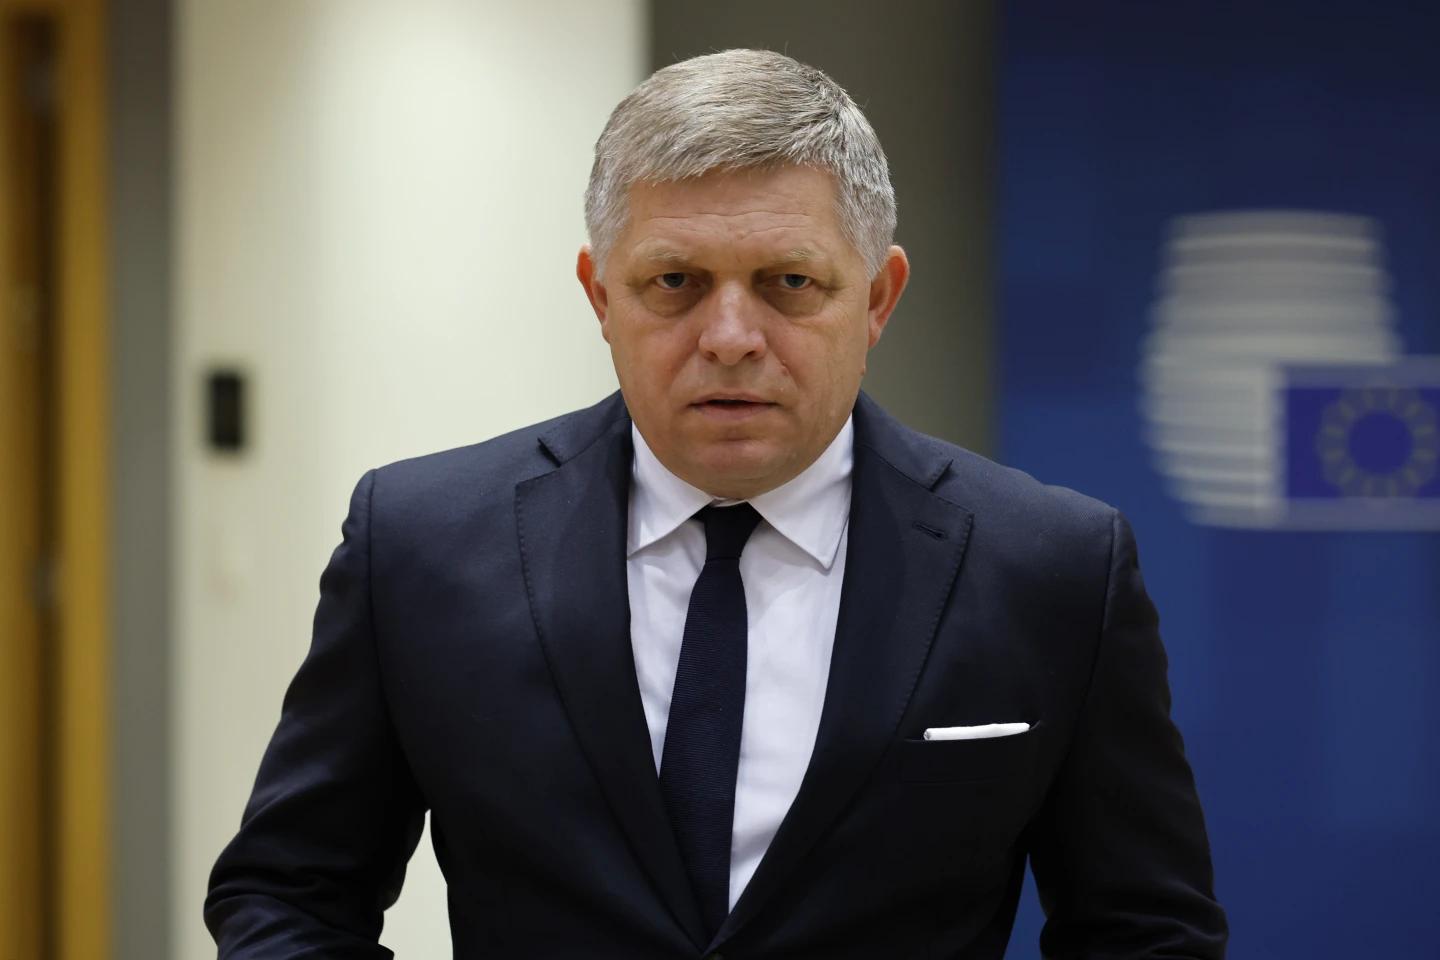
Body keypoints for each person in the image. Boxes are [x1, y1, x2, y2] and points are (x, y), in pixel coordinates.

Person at [206, 49, 1227, 959]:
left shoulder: (1050, 567)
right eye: (676, 282)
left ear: (877, 298)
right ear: (600, 295)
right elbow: (289, 893)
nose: (731, 334)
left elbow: (1145, 929)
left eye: (787, 281)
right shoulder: (421, 545)